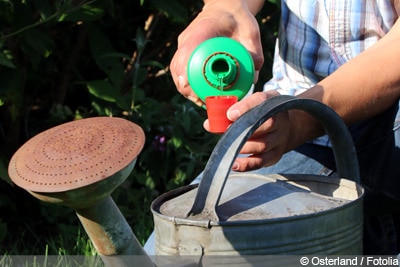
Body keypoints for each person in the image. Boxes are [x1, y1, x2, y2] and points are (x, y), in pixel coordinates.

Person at [167, 0, 400, 255]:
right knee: (174, 248)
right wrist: (225, 11)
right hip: (295, 119)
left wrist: (302, 118)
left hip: (386, 124)